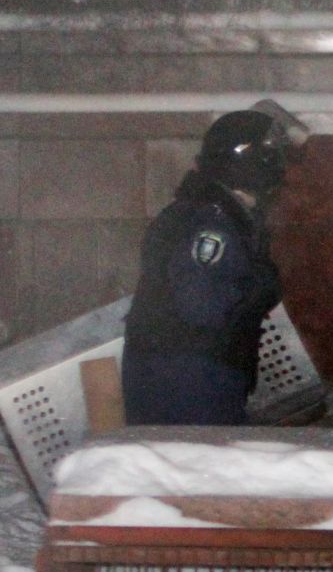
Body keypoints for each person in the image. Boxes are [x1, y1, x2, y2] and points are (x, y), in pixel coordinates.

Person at [122, 108, 295, 425]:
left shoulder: (209, 211)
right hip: (188, 378)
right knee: (202, 468)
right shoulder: (212, 224)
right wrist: (258, 287)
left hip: (185, 371)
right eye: (273, 156)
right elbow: (202, 305)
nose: (281, 167)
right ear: (253, 162)